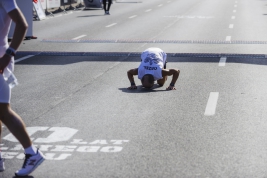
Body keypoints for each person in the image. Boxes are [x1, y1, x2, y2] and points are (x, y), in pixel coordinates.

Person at [0, 0, 45, 176]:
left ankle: (32, 153)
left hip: (1, 60)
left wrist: (9, 54)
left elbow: (22, 24)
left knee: (3, 110)